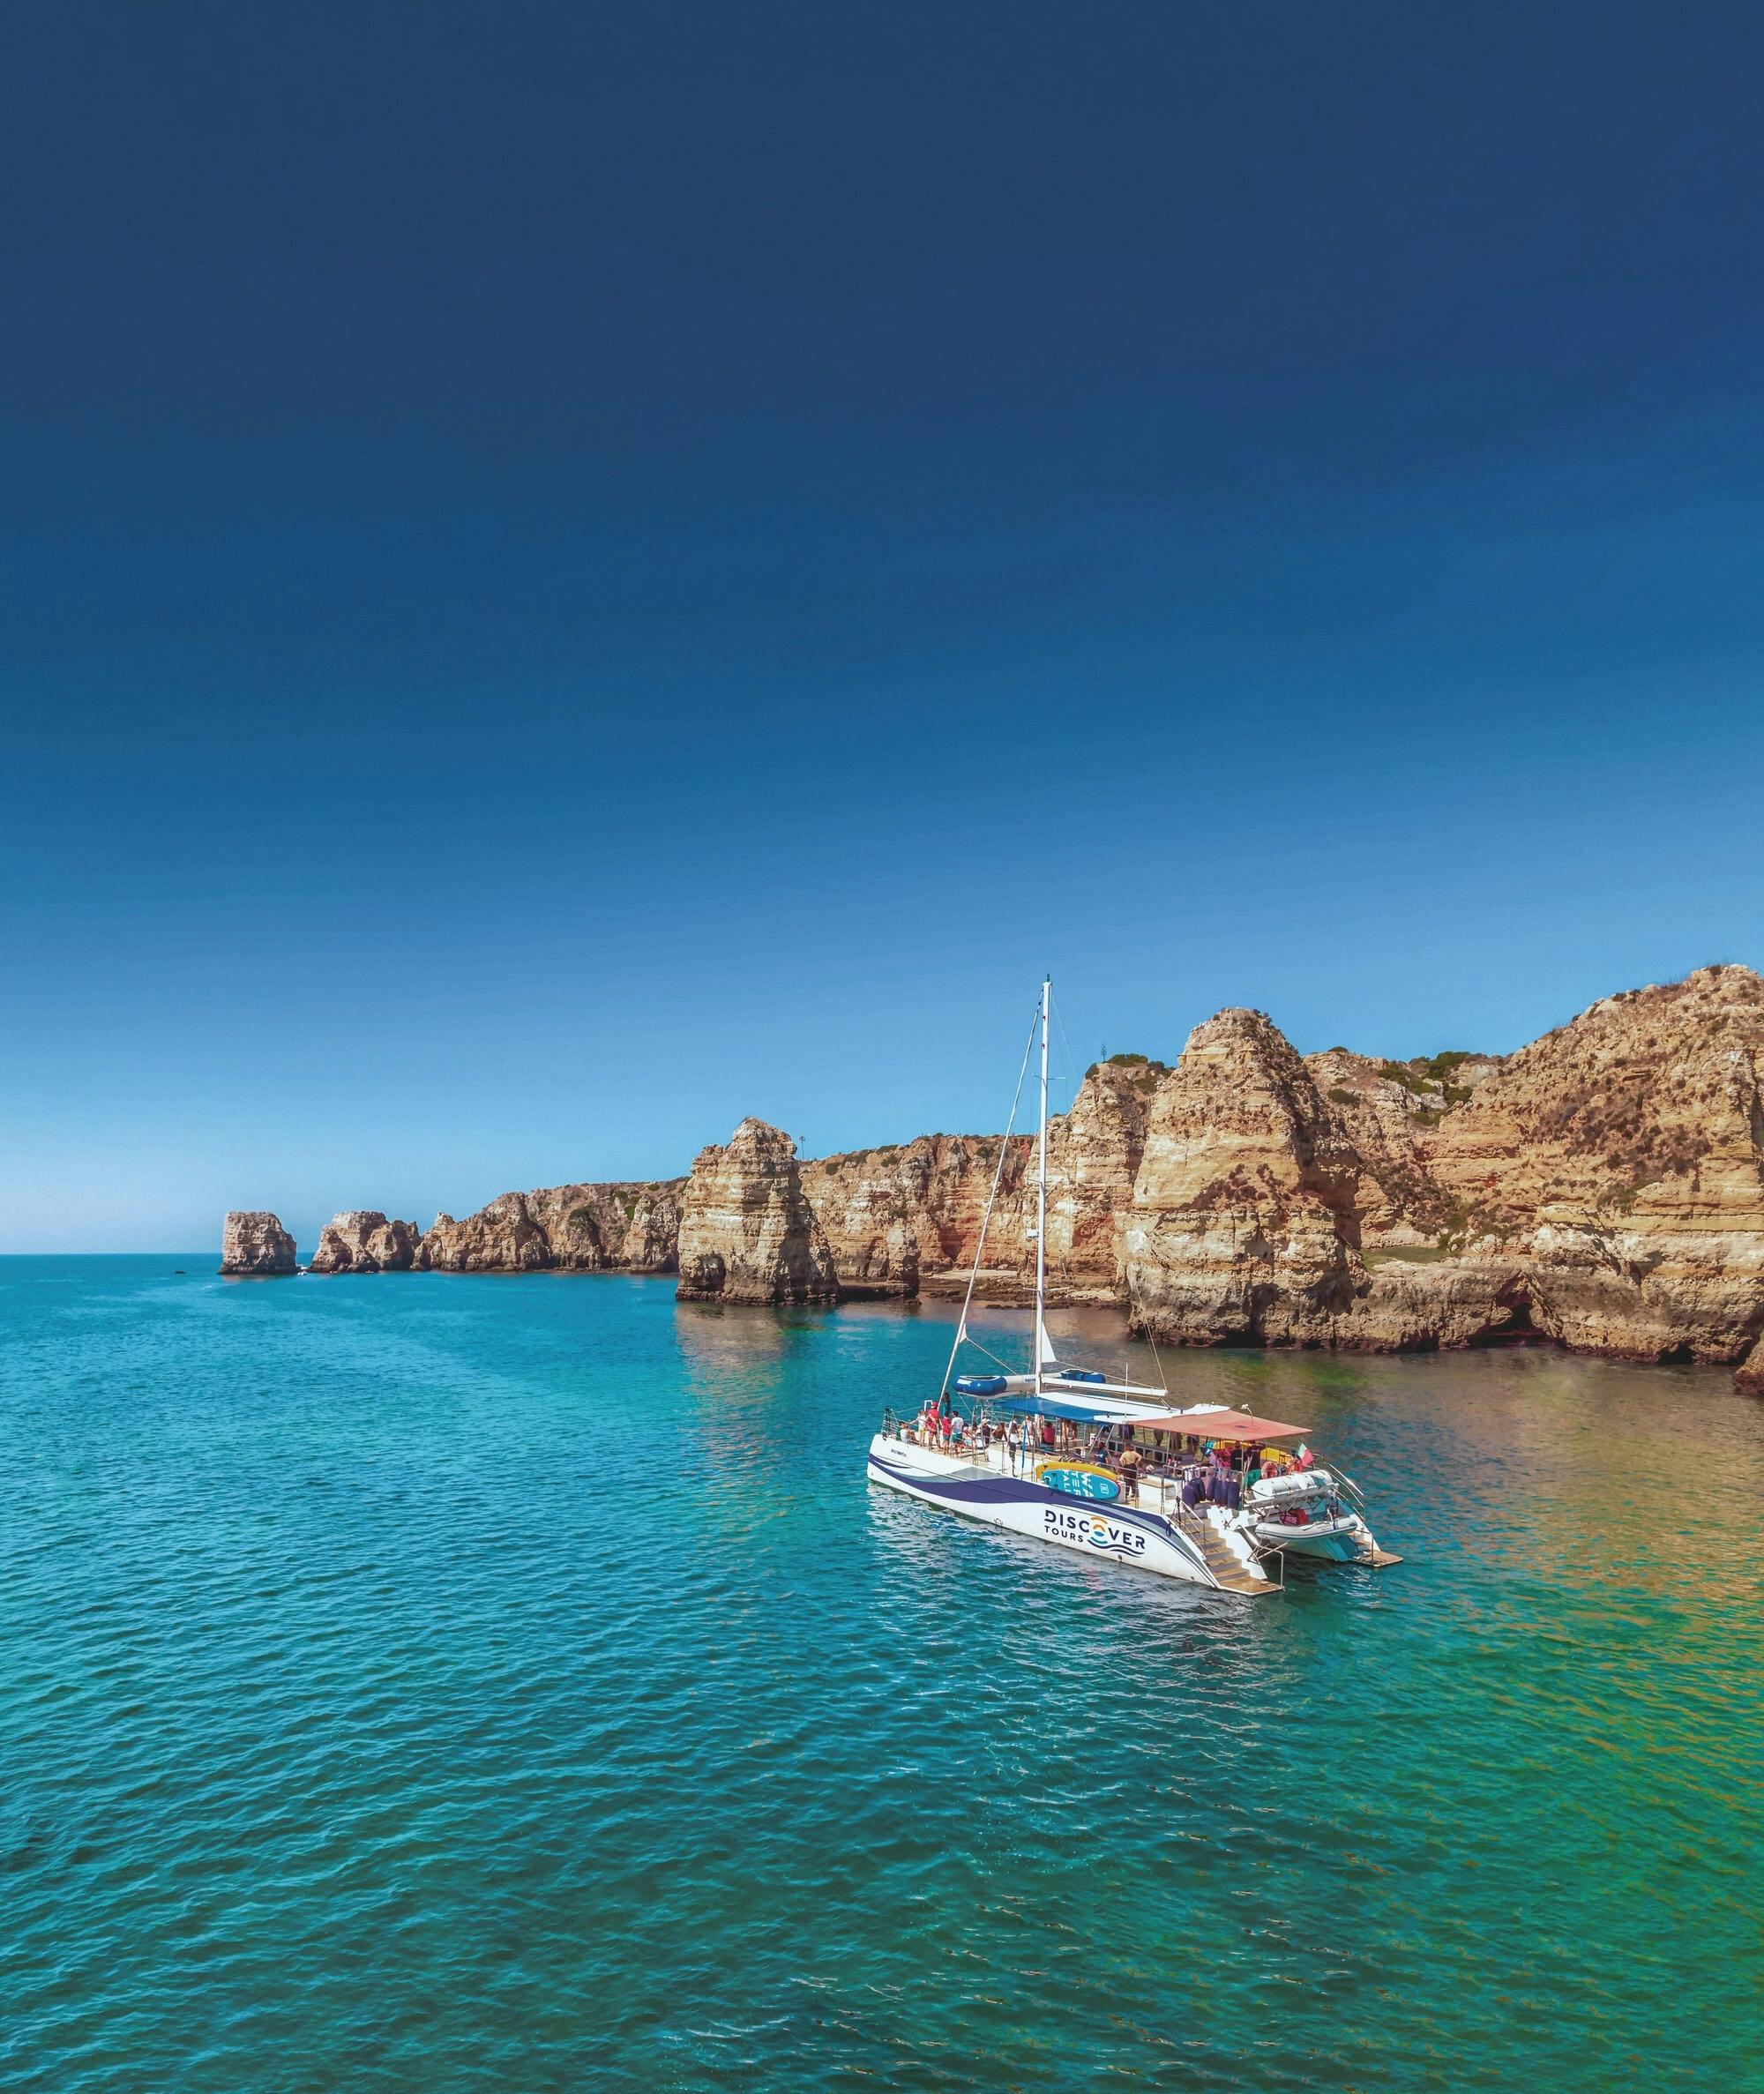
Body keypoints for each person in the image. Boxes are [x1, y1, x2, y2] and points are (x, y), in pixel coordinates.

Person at [1117, 1439, 1142, 1505]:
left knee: (1127, 1481)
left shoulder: (1125, 1454)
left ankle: (1126, 1494)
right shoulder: (1134, 1453)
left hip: (1127, 1467)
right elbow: (1140, 1457)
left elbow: (1120, 1460)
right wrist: (1136, 1463)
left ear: (1126, 1448)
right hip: (1133, 1467)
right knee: (1133, 1480)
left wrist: (1123, 1466)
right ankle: (1134, 1493)